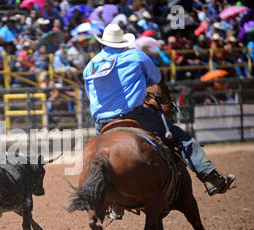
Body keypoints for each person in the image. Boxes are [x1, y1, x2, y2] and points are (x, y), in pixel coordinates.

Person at [83, 24, 235, 201]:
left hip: (102, 122)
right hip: (134, 115)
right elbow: (155, 78)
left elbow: (90, 93)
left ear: (103, 43)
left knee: (98, 153)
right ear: (122, 41)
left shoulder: (90, 65)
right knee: (180, 137)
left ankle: (110, 201)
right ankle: (211, 176)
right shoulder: (135, 55)